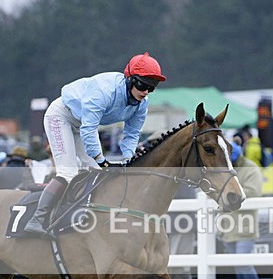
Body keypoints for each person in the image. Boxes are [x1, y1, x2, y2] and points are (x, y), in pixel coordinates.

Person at [23, 52, 166, 236]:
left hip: (81, 124)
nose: (146, 91)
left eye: (151, 87)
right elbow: (89, 130)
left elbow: (131, 135)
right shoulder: (105, 92)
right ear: (130, 79)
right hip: (61, 117)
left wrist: (128, 161)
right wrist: (102, 161)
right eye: (142, 85)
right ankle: (37, 219)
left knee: (98, 174)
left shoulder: (142, 104)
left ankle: (83, 218)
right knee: (68, 172)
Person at [218, 142, 265, 279]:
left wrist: (229, 192)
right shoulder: (226, 169)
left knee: (244, 264)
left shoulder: (251, 168)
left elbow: (254, 192)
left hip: (245, 225)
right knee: (238, 265)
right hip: (228, 225)